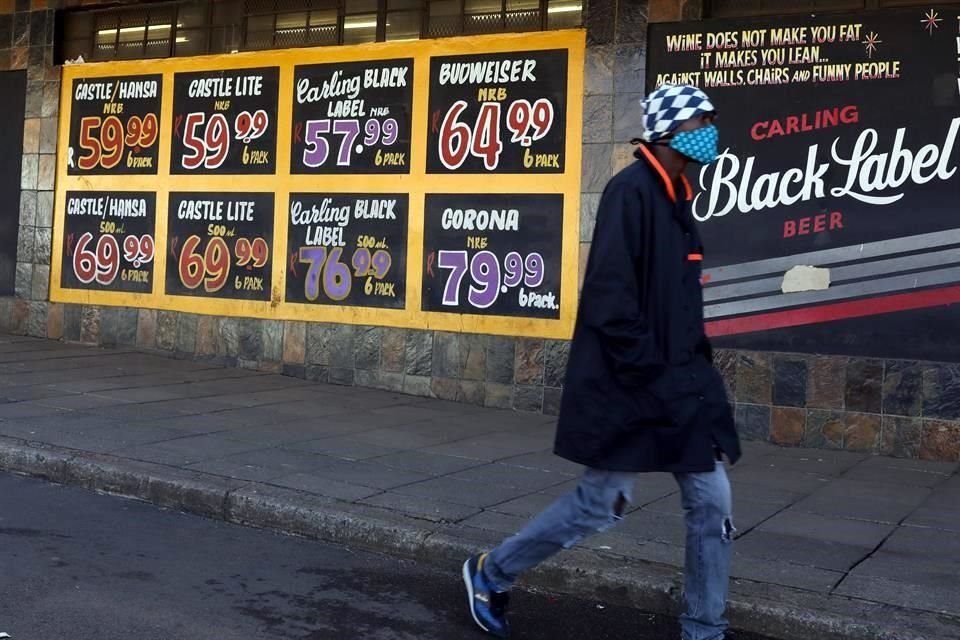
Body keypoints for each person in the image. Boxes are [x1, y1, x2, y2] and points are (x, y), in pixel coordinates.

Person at [462, 84, 742, 640]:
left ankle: (704, 629)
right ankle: (491, 573)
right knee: (600, 504)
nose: (711, 131)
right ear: (670, 131)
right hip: (630, 386)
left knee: (713, 504)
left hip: (681, 386)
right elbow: (611, 304)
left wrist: (695, 378)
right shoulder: (630, 193)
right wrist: (657, 377)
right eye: (701, 122)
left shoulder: (677, 196)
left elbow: (681, 306)